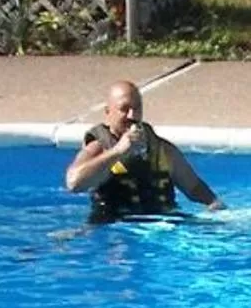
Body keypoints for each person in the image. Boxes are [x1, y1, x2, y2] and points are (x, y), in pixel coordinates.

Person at [64, 80, 220, 222]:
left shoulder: (161, 149)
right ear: (108, 112)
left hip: (163, 222)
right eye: (124, 109)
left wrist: (214, 204)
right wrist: (118, 151)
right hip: (115, 224)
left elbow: (193, 186)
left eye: (137, 108)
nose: (132, 115)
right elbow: (74, 183)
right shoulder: (99, 147)